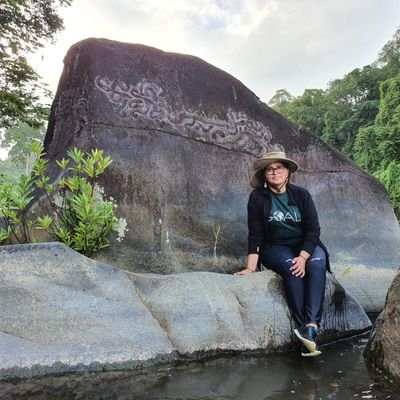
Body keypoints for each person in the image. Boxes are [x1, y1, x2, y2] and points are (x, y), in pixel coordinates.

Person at [235, 151, 329, 357]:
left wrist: (304, 257)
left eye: (279, 168)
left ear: (287, 172)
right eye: (270, 169)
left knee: (317, 264)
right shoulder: (258, 197)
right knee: (291, 267)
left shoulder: (301, 195)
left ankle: (311, 326)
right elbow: (255, 235)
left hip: (304, 244)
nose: (275, 172)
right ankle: (302, 325)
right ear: (264, 175)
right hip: (275, 247)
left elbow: (313, 229)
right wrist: (251, 267)